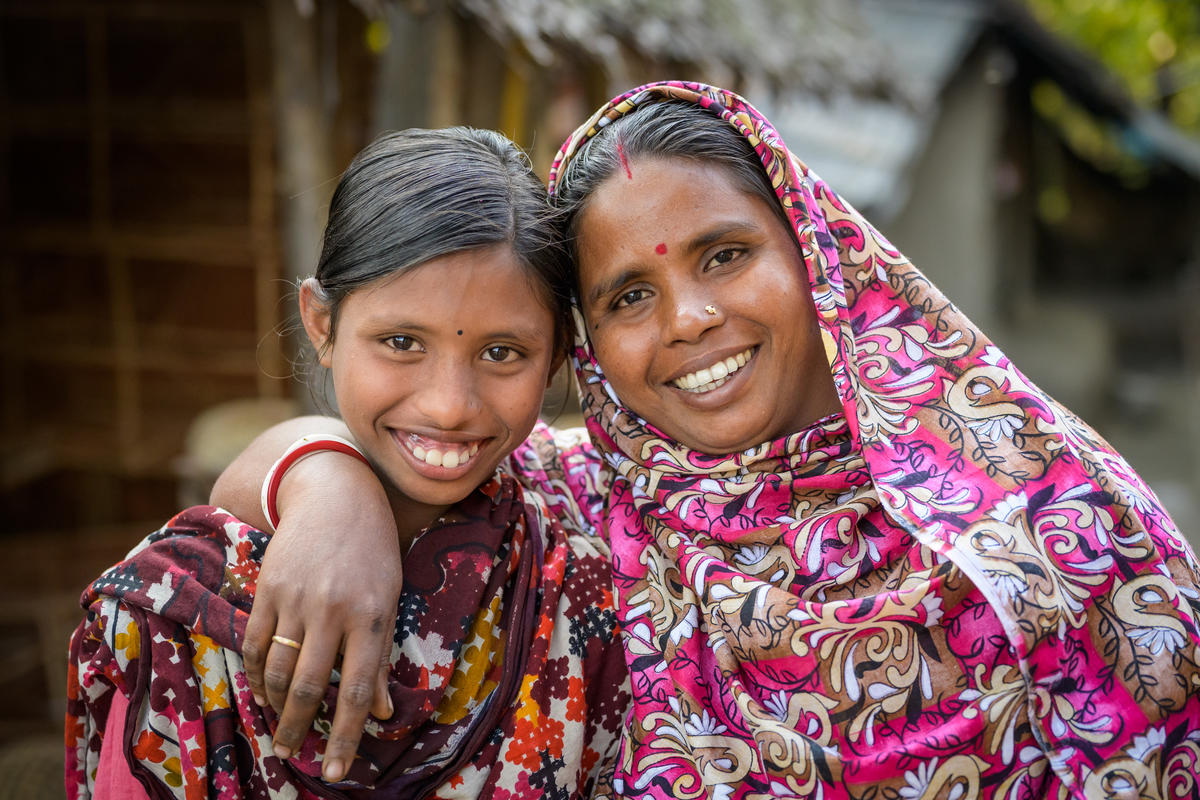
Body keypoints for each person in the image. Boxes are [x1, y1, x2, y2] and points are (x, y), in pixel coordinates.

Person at [210, 82, 1200, 798]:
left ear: (814, 249)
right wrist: (324, 478)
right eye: (628, 296)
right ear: (587, 343)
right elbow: (246, 486)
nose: (687, 318)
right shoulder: (579, 500)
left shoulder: (1042, 504)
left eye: (724, 254)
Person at [64, 127, 629, 799]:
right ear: (322, 325)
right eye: (400, 341)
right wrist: (325, 478)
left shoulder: (583, 580)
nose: (450, 407)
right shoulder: (186, 610)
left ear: (558, 355)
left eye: (502, 352)